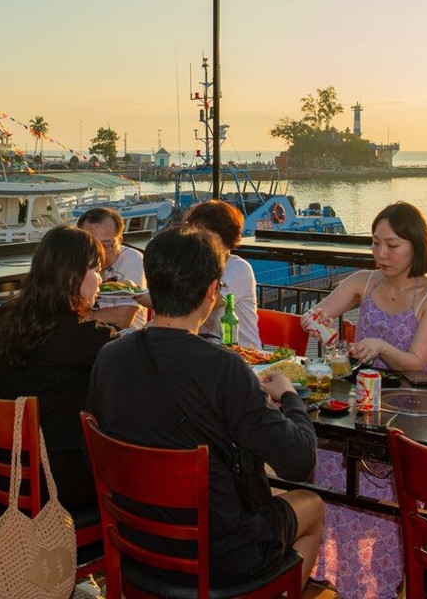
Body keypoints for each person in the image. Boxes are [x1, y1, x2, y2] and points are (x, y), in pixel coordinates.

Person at [87, 225, 324, 592]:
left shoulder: (110, 356)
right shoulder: (224, 368)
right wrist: (290, 398)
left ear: (153, 288)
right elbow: (299, 463)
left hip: (135, 539)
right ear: (212, 291)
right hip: (219, 555)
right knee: (313, 505)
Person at [301, 201, 427, 599]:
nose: (381, 254)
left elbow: (419, 363)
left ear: (416, 246)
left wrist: (381, 345)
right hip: (361, 405)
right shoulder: (363, 281)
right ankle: (336, 572)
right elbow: (318, 315)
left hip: (407, 412)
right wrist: (322, 328)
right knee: (330, 476)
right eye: (376, 243)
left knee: (382, 504)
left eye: (392, 245)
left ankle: (380, 581)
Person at [0, 225, 117, 513]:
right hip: (50, 482)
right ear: (73, 276)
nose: (102, 279)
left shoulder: (7, 316)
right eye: (96, 270)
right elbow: (133, 360)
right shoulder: (84, 337)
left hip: (0, 470)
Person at [184, 200, 260, 347]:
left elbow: (211, 301)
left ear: (220, 235)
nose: (195, 238)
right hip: (207, 349)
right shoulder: (197, 265)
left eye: (200, 232)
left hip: (243, 353)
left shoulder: (239, 268)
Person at [76, 207, 147, 331]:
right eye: (91, 245)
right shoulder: (74, 261)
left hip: (125, 339)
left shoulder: (133, 259)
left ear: (119, 241)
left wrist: (78, 317)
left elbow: (123, 319)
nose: (99, 253)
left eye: (106, 245)